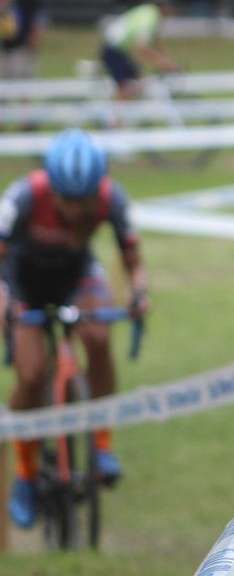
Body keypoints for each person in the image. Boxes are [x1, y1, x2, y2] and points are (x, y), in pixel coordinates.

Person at [0, 129, 151, 529]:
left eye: (85, 201)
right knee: (31, 374)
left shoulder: (111, 199)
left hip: (76, 277)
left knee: (99, 336)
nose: (77, 210)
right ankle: (26, 472)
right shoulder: (23, 198)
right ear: (53, 189)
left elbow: (134, 263)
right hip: (22, 284)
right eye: (68, 200)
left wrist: (139, 293)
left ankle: (102, 443)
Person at [99, 0, 182, 101]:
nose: (174, 9)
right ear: (165, 4)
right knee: (129, 87)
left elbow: (157, 43)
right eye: (173, 5)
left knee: (139, 82)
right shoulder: (150, 18)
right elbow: (141, 46)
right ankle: (114, 117)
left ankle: (120, 114)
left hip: (118, 49)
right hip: (114, 51)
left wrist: (167, 61)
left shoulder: (149, 12)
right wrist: (164, 63)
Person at [0, 0, 46, 84]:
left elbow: (40, 22)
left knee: (24, 87)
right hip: (7, 45)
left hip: (24, 47)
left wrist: (31, 46)